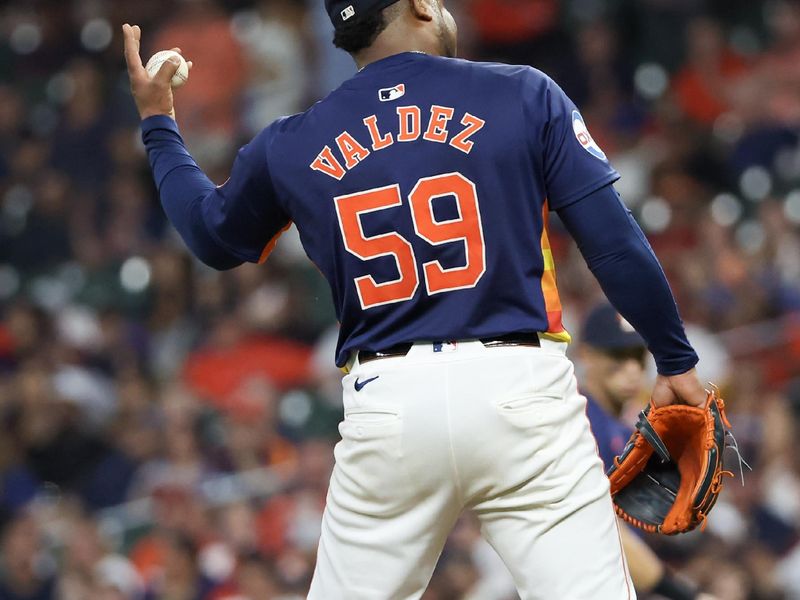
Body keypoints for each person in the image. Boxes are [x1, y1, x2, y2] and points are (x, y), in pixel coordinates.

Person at [122, 0, 709, 597]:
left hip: (387, 407)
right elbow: (614, 246)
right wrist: (675, 361)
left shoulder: (292, 142)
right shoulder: (522, 93)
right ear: (420, 6)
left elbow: (208, 234)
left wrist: (158, 123)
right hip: (520, 392)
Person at [579, 303, 716, 600]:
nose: (631, 370)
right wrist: (682, 594)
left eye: (637, 357)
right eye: (617, 356)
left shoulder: (620, 427)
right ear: (586, 354)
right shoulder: (581, 422)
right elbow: (601, 528)